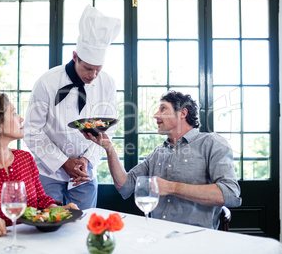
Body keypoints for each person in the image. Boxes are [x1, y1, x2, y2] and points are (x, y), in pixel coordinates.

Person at [82, 90, 242, 229]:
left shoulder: (211, 143)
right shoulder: (158, 152)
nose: (155, 115)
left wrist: (172, 187)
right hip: (157, 236)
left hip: (195, 240)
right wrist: (109, 148)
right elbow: (125, 186)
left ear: (183, 113)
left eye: (163, 109)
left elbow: (230, 194)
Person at [23, 5, 121, 210]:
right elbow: (32, 130)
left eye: (98, 70)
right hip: (49, 171)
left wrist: (86, 159)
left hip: (85, 173)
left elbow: (108, 128)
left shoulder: (108, 83)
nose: (93, 76)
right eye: (88, 68)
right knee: (48, 228)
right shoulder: (47, 82)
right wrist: (62, 162)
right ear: (75, 56)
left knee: (84, 230)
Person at [0, 93, 78, 237]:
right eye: (14, 114)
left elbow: (42, 201)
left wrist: (61, 211)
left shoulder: (25, 159)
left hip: (34, 242)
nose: (21, 119)